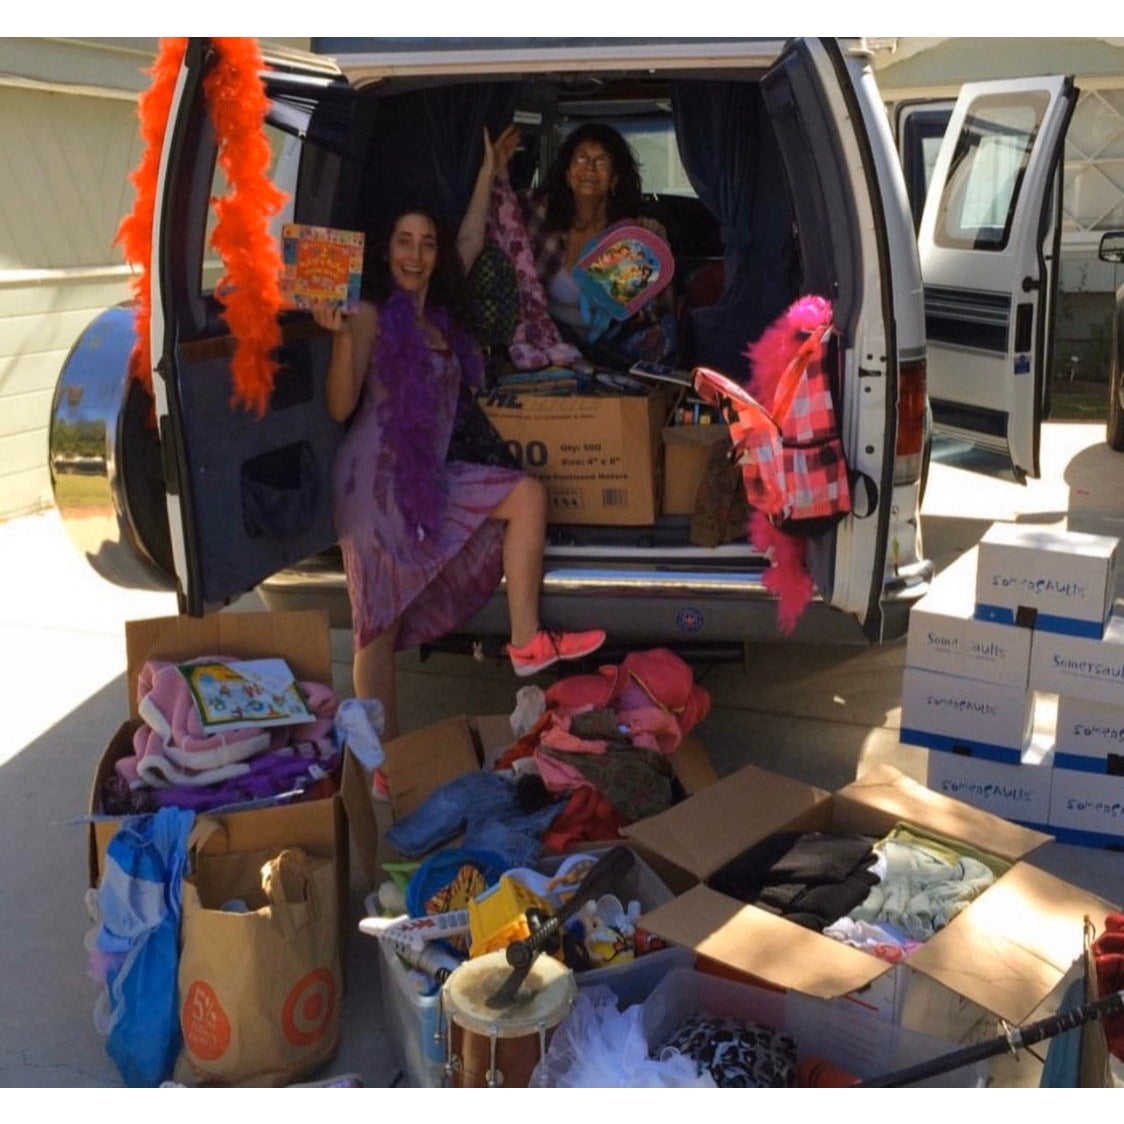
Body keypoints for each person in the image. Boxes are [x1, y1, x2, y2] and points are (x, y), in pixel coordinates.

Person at [312, 205, 605, 739]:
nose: (415, 256)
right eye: (404, 241)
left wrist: (487, 169)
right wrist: (340, 337)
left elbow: (467, 239)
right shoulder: (370, 315)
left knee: (525, 496)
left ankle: (524, 641)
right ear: (386, 250)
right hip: (373, 485)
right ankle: (384, 763)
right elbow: (338, 407)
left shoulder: (439, 320)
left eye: (427, 243)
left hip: (429, 477)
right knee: (378, 627)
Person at [458, 122, 676, 367]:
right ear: (568, 174)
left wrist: (650, 246)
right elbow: (494, 218)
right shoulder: (536, 213)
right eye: (581, 159)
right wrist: (491, 171)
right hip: (550, 351)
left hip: (611, 359)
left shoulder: (633, 237)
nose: (590, 169)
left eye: (601, 162)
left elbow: (654, 315)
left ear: (614, 178)